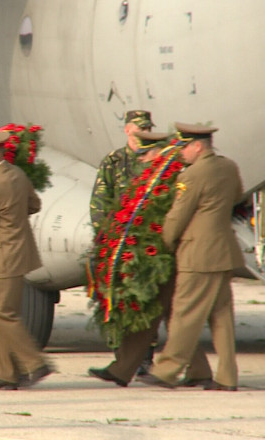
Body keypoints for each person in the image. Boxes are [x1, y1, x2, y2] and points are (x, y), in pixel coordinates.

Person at [88, 131, 212, 388]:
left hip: (168, 257)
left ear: (159, 152)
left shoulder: (171, 178)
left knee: (165, 312)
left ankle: (125, 369)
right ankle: (195, 370)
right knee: (169, 314)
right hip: (162, 258)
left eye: (145, 153)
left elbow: (168, 219)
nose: (141, 159)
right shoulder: (154, 177)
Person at [138, 122, 244, 391]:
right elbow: (237, 196)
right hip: (223, 251)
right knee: (222, 318)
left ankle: (167, 371)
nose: (181, 153)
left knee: (184, 315)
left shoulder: (192, 175)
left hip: (198, 253)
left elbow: (178, 215)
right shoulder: (229, 167)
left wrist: (165, 241)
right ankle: (227, 377)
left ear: (197, 146)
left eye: (184, 147)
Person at [0, 130, 53, 391]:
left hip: (1, 256)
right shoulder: (17, 174)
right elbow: (34, 204)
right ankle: (5, 373)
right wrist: (13, 216)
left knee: (4, 314)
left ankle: (35, 363)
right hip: (19, 253)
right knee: (1, 314)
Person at [89, 109, 157, 375]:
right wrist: (106, 238)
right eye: (138, 130)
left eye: (147, 129)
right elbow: (100, 202)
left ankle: (144, 357)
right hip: (118, 244)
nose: (143, 135)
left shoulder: (157, 160)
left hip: (147, 244)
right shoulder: (115, 161)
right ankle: (122, 355)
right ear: (128, 130)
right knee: (118, 301)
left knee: (145, 301)